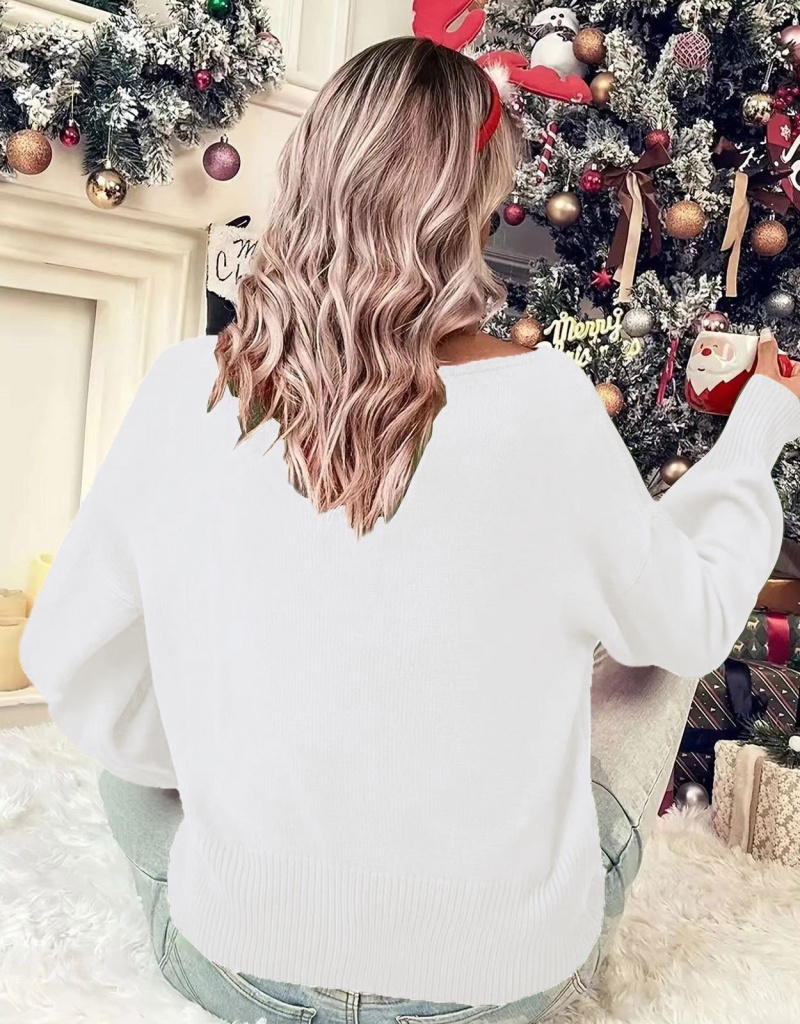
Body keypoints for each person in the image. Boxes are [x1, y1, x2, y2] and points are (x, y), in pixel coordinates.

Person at [17, 33, 800, 1024]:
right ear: (475, 200)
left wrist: (233, 767)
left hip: (242, 972)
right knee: (663, 643)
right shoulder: (546, 408)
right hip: (497, 988)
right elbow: (689, 626)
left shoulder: (184, 391)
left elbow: (67, 659)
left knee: (124, 768)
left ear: (310, 172)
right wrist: (759, 427)